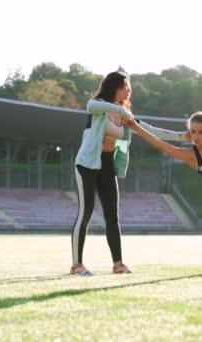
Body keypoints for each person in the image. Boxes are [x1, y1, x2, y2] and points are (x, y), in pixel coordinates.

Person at [125, 53, 202, 273]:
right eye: (192, 132)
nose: (196, 136)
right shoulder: (191, 155)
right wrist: (136, 128)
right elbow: (161, 144)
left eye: (200, 132)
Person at [70, 70, 136, 276]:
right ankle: (77, 265)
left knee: (112, 216)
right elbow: (91, 105)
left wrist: (181, 136)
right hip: (87, 164)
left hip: (107, 166)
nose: (129, 90)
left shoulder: (124, 115)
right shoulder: (98, 106)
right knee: (86, 212)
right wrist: (121, 111)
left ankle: (118, 264)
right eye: (125, 86)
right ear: (114, 87)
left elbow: (141, 132)